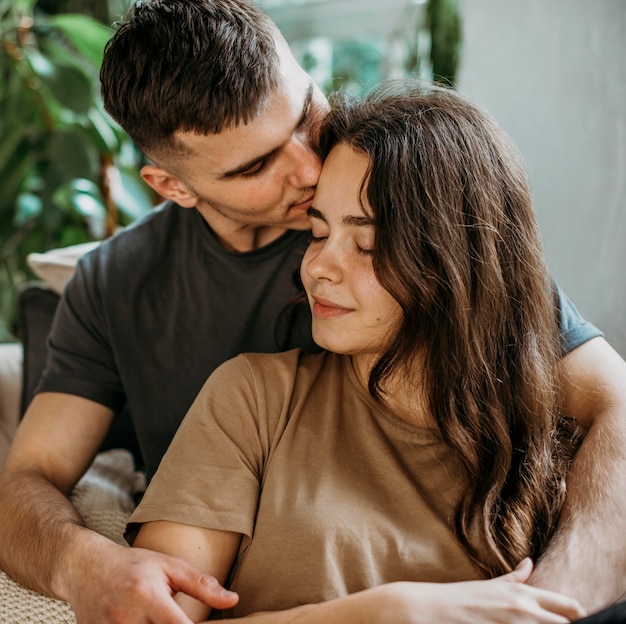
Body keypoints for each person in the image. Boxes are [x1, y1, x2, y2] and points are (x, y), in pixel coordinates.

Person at [0, 1, 623, 622]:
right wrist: (86, 564)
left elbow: (614, 406)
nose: (309, 166)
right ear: (173, 186)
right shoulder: (119, 285)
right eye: (257, 165)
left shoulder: (406, 214)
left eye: (306, 114)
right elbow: (29, 480)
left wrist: (559, 602)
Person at [126, 79, 594, 623]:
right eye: (318, 233)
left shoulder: (548, 441)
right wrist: (383, 612)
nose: (318, 266)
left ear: (454, 265)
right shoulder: (254, 399)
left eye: (366, 243)